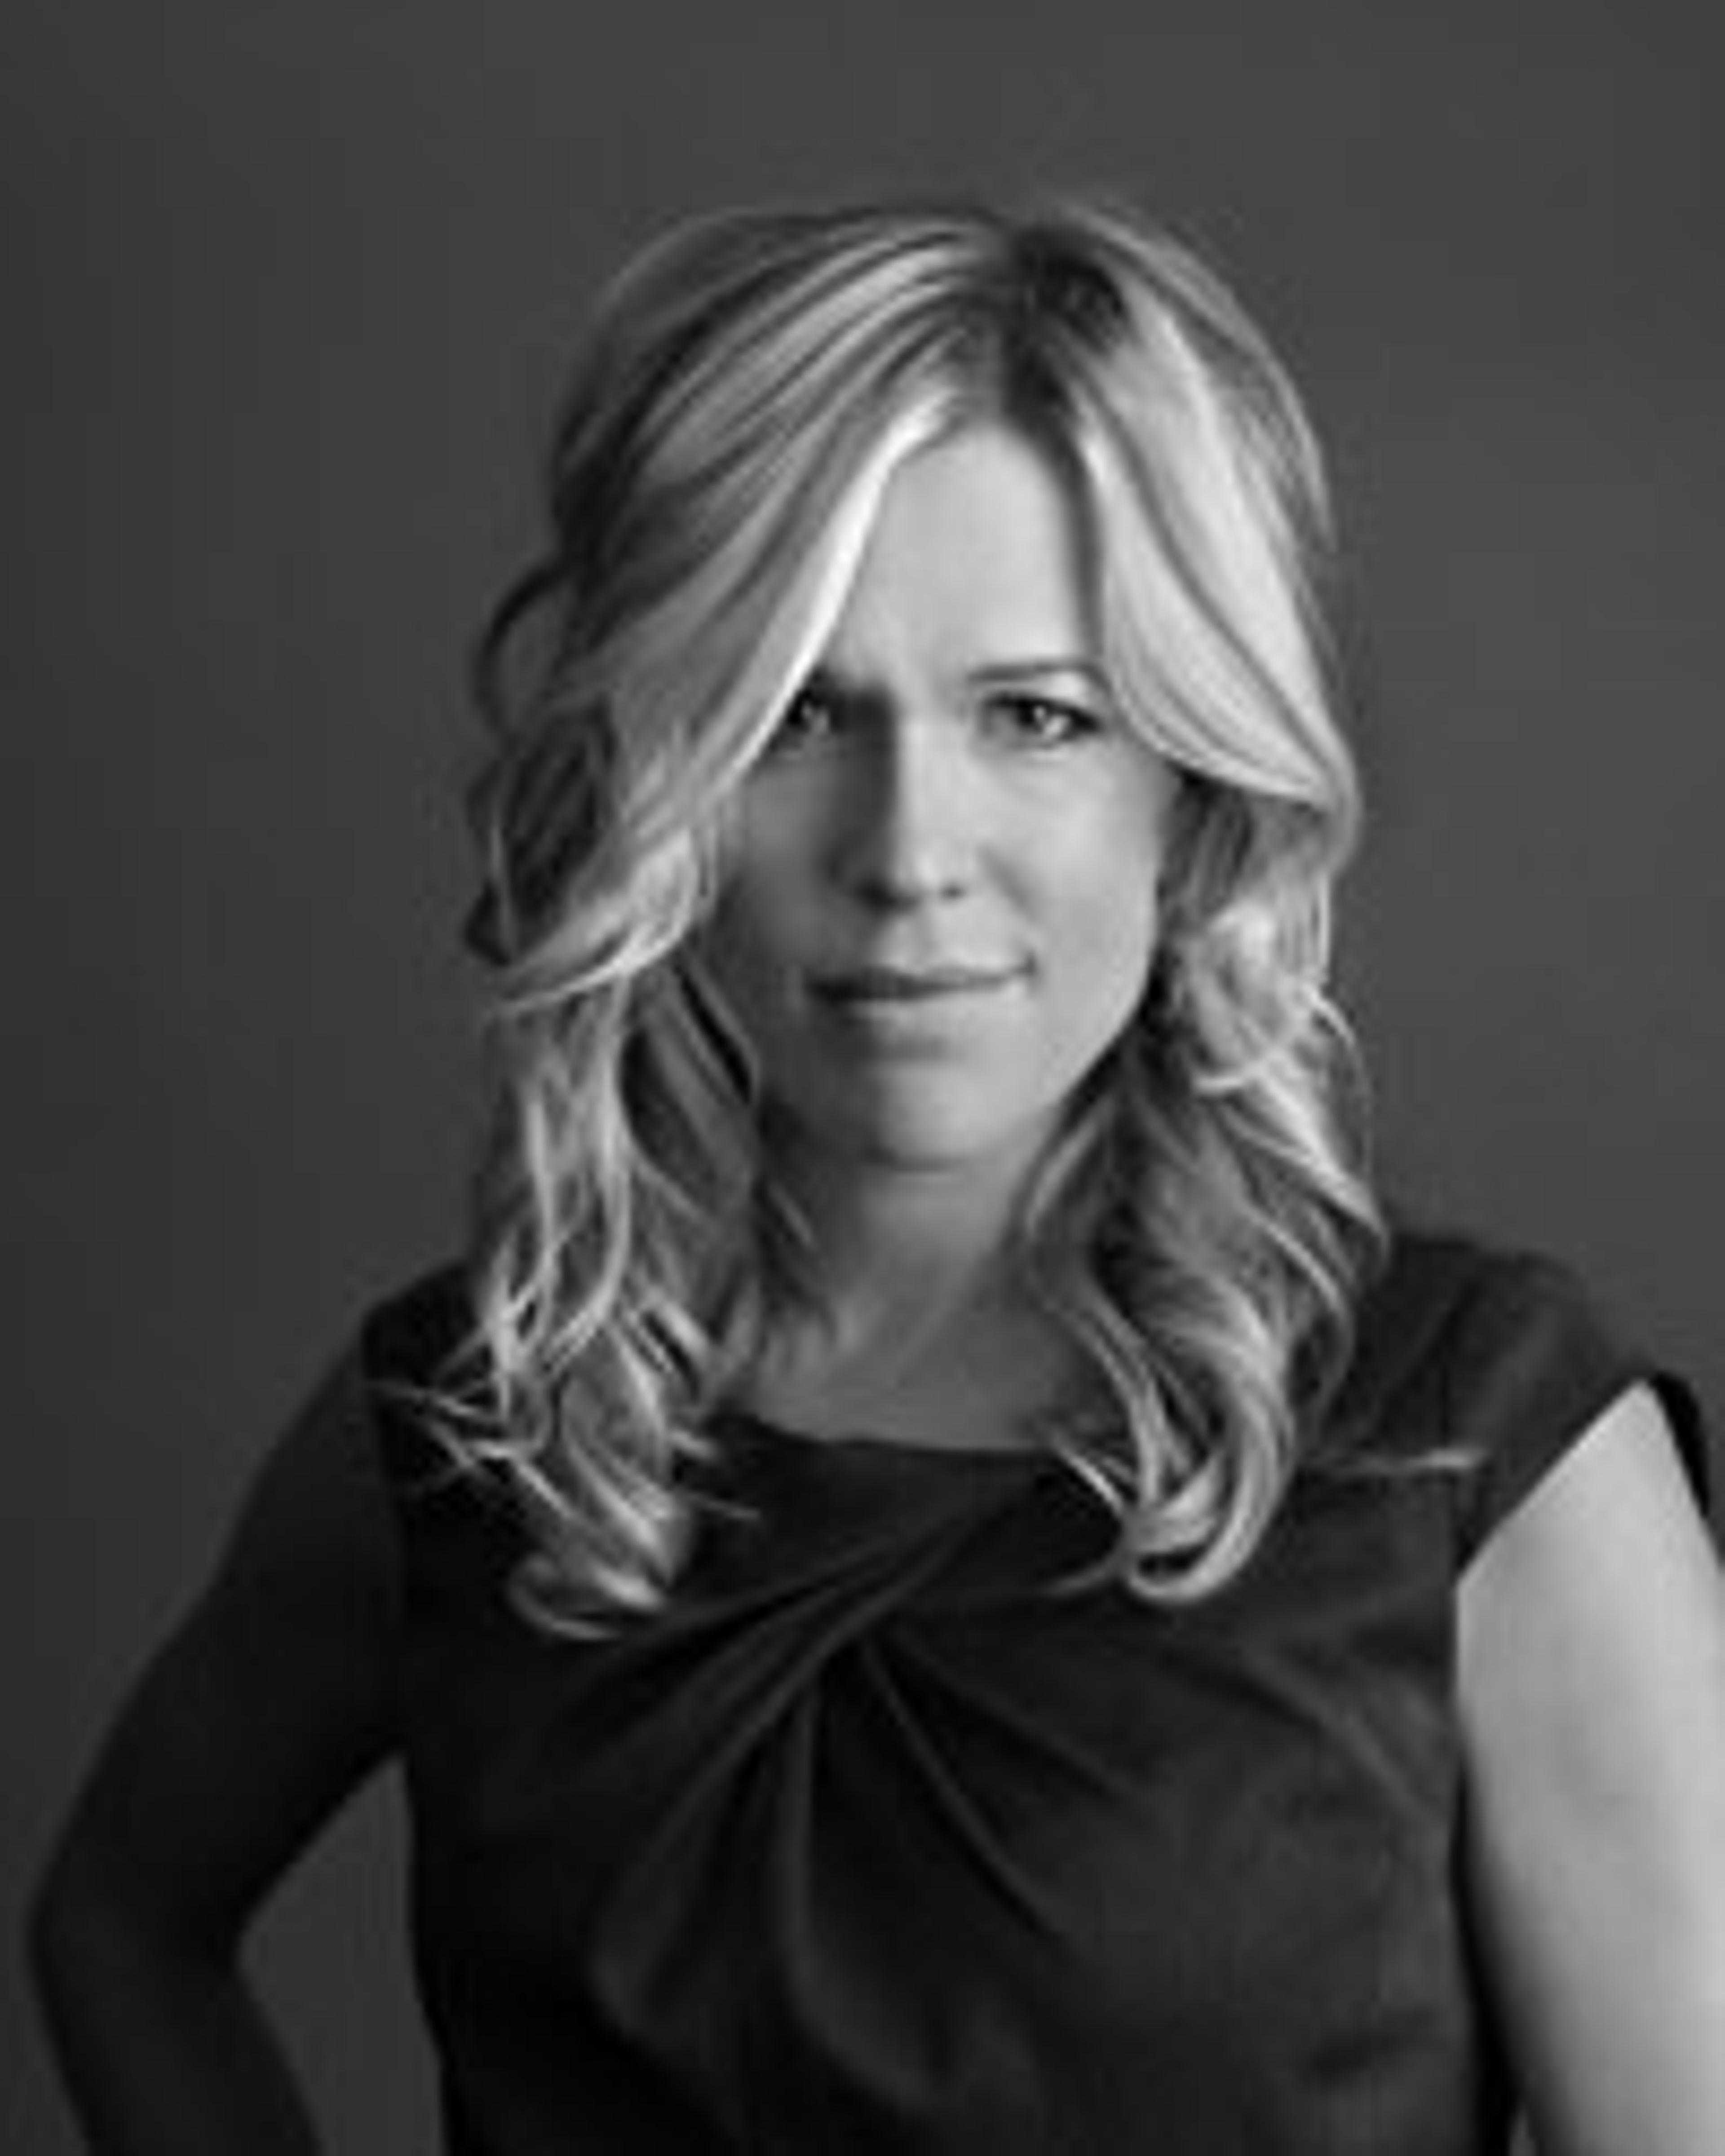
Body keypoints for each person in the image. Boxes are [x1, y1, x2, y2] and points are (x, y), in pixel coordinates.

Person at [30, 192, 1725, 2156]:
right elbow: (123, 1927)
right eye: (797, 717)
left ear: (1194, 793)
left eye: (1039, 717)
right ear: (660, 780)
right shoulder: (474, 1427)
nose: (910, 851)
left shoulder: (1485, 1450)